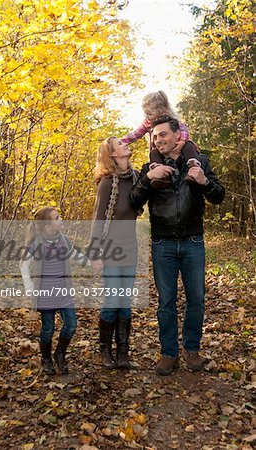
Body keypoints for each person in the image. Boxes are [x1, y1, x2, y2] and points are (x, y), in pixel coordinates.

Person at [129, 116, 225, 375]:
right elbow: (133, 199)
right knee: (166, 302)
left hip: (193, 241)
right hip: (163, 243)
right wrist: (149, 178)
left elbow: (219, 195)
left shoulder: (199, 161)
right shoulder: (150, 165)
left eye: (163, 135)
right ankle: (169, 353)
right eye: (155, 136)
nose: (158, 140)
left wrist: (204, 181)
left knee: (196, 299)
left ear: (177, 136)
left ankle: (191, 350)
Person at [20, 206, 90, 375]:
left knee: (71, 325)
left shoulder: (63, 240)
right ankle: (46, 358)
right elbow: (24, 264)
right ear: (47, 225)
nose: (61, 219)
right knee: (48, 328)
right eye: (57, 217)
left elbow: (76, 255)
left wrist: (92, 263)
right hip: (45, 294)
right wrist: (29, 287)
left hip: (64, 292)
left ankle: (60, 353)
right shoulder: (37, 244)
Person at [89, 137, 139, 369]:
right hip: (109, 251)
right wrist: (95, 254)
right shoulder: (107, 183)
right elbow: (98, 220)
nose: (125, 143)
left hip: (130, 249)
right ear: (113, 154)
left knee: (125, 303)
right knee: (112, 301)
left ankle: (123, 353)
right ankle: (105, 351)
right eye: (120, 143)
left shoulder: (137, 178)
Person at [121, 91, 201, 186]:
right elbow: (135, 135)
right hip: (160, 151)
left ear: (160, 110)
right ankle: (160, 175)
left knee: (189, 145)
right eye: (145, 114)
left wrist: (183, 141)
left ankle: (193, 168)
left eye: (149, 114)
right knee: (153, 153)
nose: (147, 116)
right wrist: (121, 142)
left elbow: (184, 130)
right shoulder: (147, 123)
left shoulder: (172, 120)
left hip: (178, 147)